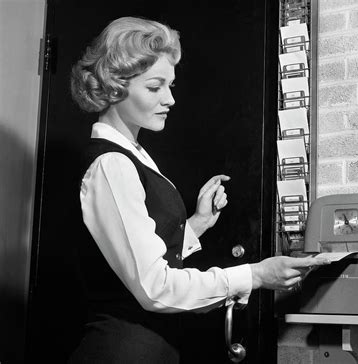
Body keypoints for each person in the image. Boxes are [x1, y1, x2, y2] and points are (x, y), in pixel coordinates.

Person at [68, 16, 330, 363]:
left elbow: (143, 250)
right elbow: (155, 287)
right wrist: (254, 274)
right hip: (122, 350)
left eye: (170, 85)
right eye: (154, 86)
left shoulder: (132, 156)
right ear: (116, 86)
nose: (170, 99)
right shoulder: (111, 165)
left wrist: (198, 223)